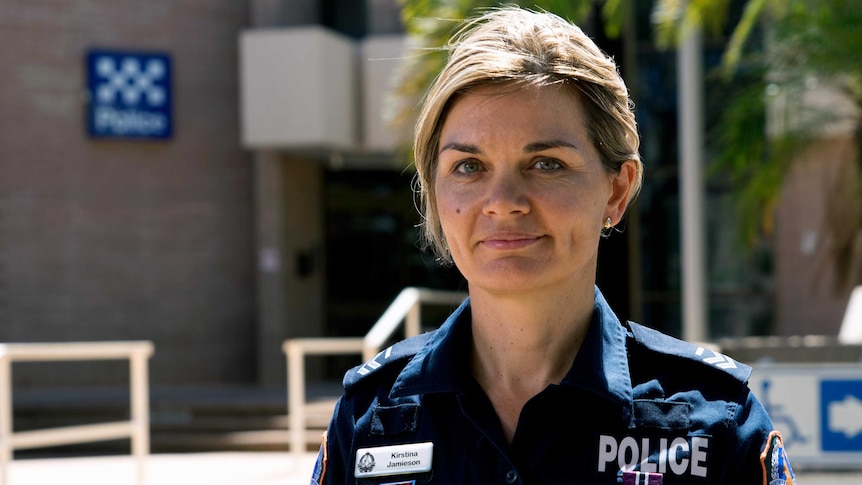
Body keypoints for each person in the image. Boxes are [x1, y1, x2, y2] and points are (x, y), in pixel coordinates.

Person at [311, 6, 795, 484]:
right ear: (435, 193)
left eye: (546, 164)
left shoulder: (716, 423)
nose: (502, 202)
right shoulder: (367, 419)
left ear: (617, 190)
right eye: (469, 167)